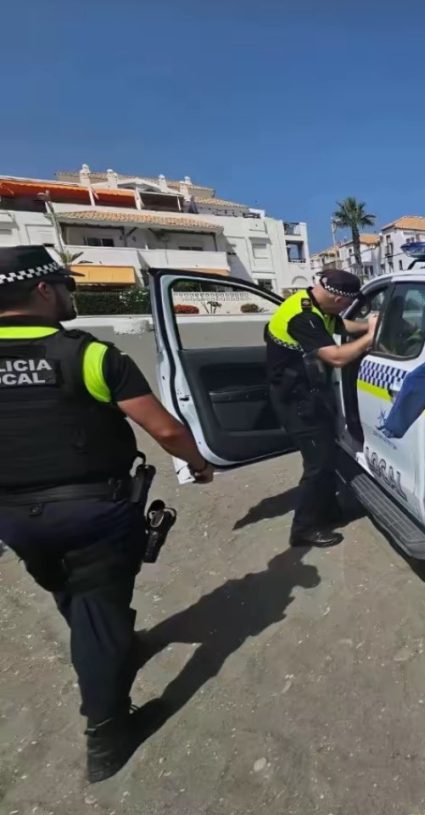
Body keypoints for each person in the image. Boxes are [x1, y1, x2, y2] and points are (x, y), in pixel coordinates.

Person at [0, 246, 214, 782]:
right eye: (65, 286)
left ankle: (115, 645)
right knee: (98, 607)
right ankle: (107, 734)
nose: (72, 295)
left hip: (15, 517)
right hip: (92, 512)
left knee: (71, 594)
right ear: (43, 291)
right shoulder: (90, 356)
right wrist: (198, 463)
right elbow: (163, 428)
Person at [265, 268, 376, 548]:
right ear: (339, 300)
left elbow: (341, 326)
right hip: (296, 399)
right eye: (344, 305)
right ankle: (304, 528)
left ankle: (328, 512)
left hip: (308, 393)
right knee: (318, 464)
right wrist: (371, 339)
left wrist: (371, 325)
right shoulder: (303, 316)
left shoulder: (315, 302)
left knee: (326, 457)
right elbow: (337, 358)